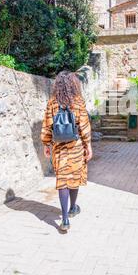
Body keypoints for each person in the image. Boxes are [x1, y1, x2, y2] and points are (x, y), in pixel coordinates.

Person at [41, 71, 92, 231]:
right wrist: (88, 145)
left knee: (62, 179)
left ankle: (64, 220)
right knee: (74, 177)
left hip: (59, 148)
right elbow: (84, 125)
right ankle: (73, 208)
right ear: (73, 84)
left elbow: (47, 125)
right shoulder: (78, 102)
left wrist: (46, 144)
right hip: (75, 146)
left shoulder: (52, 103)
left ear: (58, 85)